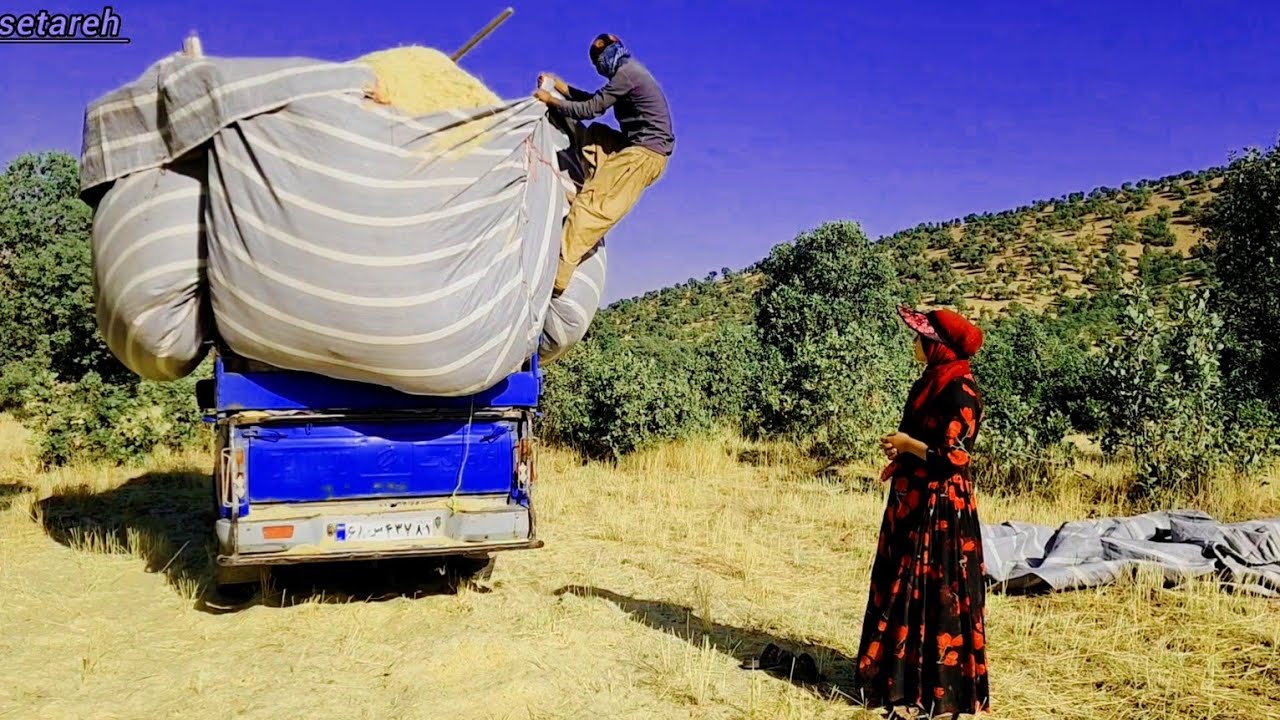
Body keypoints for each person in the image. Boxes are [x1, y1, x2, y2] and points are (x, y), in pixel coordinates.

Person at [855, 306, 991, 719]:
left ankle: (933, 694)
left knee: (936, 591)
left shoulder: (959, 389)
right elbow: (926, 438)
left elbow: (953, 457)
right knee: (904, 584)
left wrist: (909, 445)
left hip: (940, 508)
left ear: (937, 346)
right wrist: (905, 446)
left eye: (919, 338)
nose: (913, 343)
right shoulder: (931, 383)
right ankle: (899, 682)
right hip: (914, 501)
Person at [533, 33, 675, 295]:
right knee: (596, 137)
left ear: (607, 55)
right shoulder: (627, 73)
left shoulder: (627, 74)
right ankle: (591, 185)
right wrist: (561, 88)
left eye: (598, 60)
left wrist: (550, 100)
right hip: (635, 146)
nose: (599, 67)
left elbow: (590, 109)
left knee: (590, 208)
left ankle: (556, 281)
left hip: (642, 156)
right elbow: (593, 100)